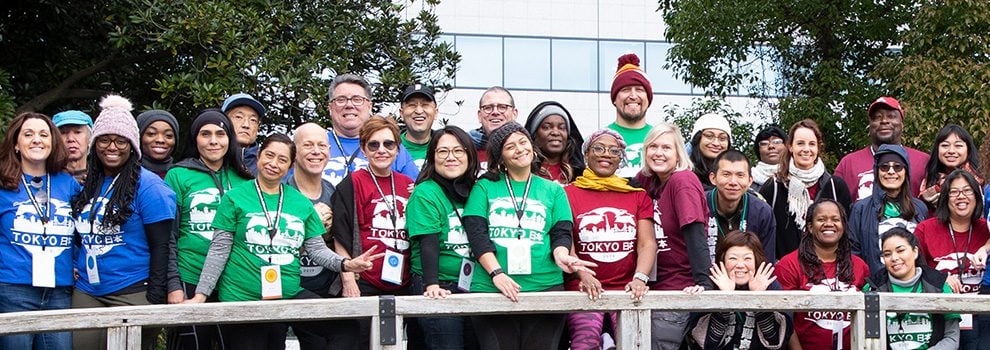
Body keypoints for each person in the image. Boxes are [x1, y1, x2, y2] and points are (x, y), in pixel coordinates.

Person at [184, 133, 381, 350]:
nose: (274, 164)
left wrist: (347, 264)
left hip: (287, 295)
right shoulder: (235, 197)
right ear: (258, 156)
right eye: (269, 155)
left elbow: (316, 249)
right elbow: (219, 250)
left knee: (345, 328)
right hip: (244, 300)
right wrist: (200, 295)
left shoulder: (300, 203)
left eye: (282, 160)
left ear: (290, 166)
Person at [463, 122, 596, 350]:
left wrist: (562, 255)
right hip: (493, 288)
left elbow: (561, 233)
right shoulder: (484, 187)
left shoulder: (554, 190)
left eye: (523, 142)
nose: (519, 149)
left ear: (533, 148)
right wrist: (497, 274)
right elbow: (477, 234)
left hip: (545, 286)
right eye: (510, 146)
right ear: (500, 157)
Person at [71, 95, 177, 350]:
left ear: (132, 146)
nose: (112, 147)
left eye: (121, 141)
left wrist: (154, 296)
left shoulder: (150, 186)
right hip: (88, 289)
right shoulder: (88, 184)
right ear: (94, 144)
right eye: (105, 139)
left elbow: (162, 245)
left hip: (132, 291)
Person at [163, 110, 253, 349]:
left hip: (234, 282)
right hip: (189, 276)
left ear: (229, 139)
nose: (213, 141)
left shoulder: (244, 179)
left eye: (220, 134)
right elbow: (168, 236)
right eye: (205, 134)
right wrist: (173, 285)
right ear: (195, 139)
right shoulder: (178, 175)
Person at [331, 117, 419, 349]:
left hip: (404, 280)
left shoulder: (408, 184)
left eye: (388, 144)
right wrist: (348, 280)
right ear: (363, 149)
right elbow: (341, 234)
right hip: (366, 281)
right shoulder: (352, 183)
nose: (382, 150)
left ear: (398, 149)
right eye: (374, 144)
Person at [564, 129, 656, 349]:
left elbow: (647, 243)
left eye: (614, 151)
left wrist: (640, 278)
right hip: (582, 287)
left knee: (635, 342)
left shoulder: (637, 195)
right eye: (598, 148)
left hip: (626, 288)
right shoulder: (567, 193)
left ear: (620, 159)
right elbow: (566, 241)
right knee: (584, 342)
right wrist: (583, 274)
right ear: (586, 155)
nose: (606, 154)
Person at [0, 112, 80, 349]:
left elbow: (82, 232)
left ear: (53, 143)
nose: (37, 139)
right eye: (28, 134)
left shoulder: (69, 184)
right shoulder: (3, 185)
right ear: (16, 143)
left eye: (43, 134)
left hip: (59, 291)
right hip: (14, 290)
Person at [631, 122, 711, 349]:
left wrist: (704, 282)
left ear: (678, 154)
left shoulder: (681, 181)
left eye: (666, 148)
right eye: (652, 147)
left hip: (679, 287)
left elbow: (695, 231)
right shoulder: (650, 181)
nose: (658, 153)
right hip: (652, 287)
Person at [406, 125, 481, 350]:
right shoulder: (425, 192)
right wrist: (432, 284)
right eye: (442, 151)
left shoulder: (477, 189)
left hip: (472, 285)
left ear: (469, 155)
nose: (451, 157)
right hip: (438, 284)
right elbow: (428, 242)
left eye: (458, 151)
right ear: (432, 157)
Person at [285, 122, 355, 349]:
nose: (316, 151)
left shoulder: (333, 192)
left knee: (347, 335)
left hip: (327, 288)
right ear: (294, 152)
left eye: (322, 145)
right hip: (288, 288)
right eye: (308, 145)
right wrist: (310, 226)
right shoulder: (281, 192)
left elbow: (341, 241)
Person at [774, 199, 870, 350]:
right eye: (821, 219)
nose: (829, 224)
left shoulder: (859, 265)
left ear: (843, 226)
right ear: (810, 227)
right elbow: (784, 318)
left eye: (835, 219)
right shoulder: (789, 264)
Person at [913, 169, 987, 348]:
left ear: (977, 196)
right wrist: (942, 278)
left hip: (982, 317)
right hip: (941, 315)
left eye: (968, 190)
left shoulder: (986, 230)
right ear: (945, 198)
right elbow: (912, 269)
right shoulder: (926, 229)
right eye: (954, 192)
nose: (961, 196)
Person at [685, 231, 793, 350]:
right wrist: (725, 299)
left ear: (756, 260)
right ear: (723, 261)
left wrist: (758, 298)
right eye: (733, 258)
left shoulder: (770, 285)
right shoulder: (710, 285)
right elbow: (707, 344)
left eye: (747, 258)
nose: (740, 265)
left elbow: (775, 341)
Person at [759, 119, 851, 258]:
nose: (806, 149)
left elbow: (847, 233)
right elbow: (763, 233)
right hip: (786, 272)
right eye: (800, 143)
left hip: (828, 271)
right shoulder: (773, 187)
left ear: (818, 148)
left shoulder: (835, 187)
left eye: (812, 144)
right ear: (790, 147)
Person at [864, 227, 961, 350]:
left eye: (900, 251)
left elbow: (952, 338)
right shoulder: (873, 288)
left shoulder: (939, 285)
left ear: (915, 252)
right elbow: (867, 340)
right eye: (887, 254)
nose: (894, 258)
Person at [323, 74, 419, 186]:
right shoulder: (316, 146)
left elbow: (416, 191)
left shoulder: (389, 146)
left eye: (357, 99)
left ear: (369, 106)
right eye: (341, 100)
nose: (349, 105)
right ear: (330, 108)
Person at [849, 144, 928, 275]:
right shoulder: (860, 209)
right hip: (875, 285)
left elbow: (925, 251)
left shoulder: (920, 208)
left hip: (914, 286)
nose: (891, 172)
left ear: (905, 171)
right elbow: (854, 253)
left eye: (897, 167)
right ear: (877, 171)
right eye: (885, 167)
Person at [834, 96, 929, 203]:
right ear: (870, 125)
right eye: (877, 117)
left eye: (891, 116)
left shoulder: (923, 162)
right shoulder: (848, 164)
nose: (884, 121)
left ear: (902, 124)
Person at [705, 150, 776, 262]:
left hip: (747, 276)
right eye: (726, 174)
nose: (733, 182)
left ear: (749, 181)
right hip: (703, 277)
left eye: (740, 175)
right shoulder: (698, 205)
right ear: (713, 178)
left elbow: (766, 262)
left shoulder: (761, 211)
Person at [607, 53, 653, 178]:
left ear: (648, 99)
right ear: (615, 99)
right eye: (625, 89)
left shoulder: (662, 137)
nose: (633, 96)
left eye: (639, 90)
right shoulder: (599, 138)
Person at [919, 124, 982, 211]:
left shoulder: (981, 180)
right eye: (945, 145)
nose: (951, 151)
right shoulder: (929, 181)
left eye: (958, 146)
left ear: (968, 149)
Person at [524, 101, 585, 184]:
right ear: (534, 134)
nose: (555, 132)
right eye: (547, 127)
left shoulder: (581, 175)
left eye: (562, 128)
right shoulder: (523, 172)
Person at [470, 86, 519, 171]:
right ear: (479, 115)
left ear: (514, 114)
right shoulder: (465, 150)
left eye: (502, 107)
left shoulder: (526, 150)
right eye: (488, 108)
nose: (495, 112)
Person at [221, 92, 266, 175]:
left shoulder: (268, 167)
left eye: (253, 120)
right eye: (239, 117)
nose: (246, 125)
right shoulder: (210, 162)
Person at [688, 113, 732, 191]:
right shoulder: (684, 173)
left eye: (722, 138)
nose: (716, 143)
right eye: (709, 136)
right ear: (697, 139)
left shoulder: (734, 176)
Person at [399, 83, 438, 169]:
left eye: (425, 105)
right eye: (412, 105)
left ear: (436, 112)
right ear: (401, 113)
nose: (419, 111)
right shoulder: (388, 148)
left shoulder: (447, 148)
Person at [53, 110, 93, 184]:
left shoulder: (100, 180)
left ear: (90, 139)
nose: (70, 139)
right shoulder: (44, 180)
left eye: (77, 132)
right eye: (63, 133)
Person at [136, 109, 179, 178]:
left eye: (168, 135)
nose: (160, 140)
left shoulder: (180, 176)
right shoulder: (126, 173)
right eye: (151, 134)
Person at [751, 126, 787, 192]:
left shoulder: (797, 176)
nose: (771, 146)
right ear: (758, 150)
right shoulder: (748, 179)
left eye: (777, 142)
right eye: (764, 143)